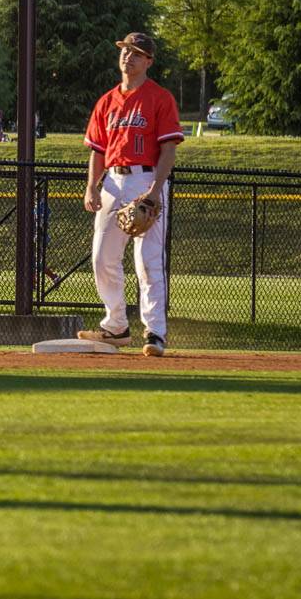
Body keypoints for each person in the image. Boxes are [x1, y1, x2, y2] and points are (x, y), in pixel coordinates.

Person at [80, 33, 183, 357]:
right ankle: (116, 326)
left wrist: (154, 192)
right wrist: (92, 185)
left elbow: (168, 150)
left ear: (148, 62)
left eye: (137, 53)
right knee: (101, 257)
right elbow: (97, 151)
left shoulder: (160, 98)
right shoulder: (106, 101)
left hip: (147, 178)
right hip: (112, 181)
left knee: (147, 261)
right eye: (126, 50)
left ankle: (154, 333)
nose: (129, 57)